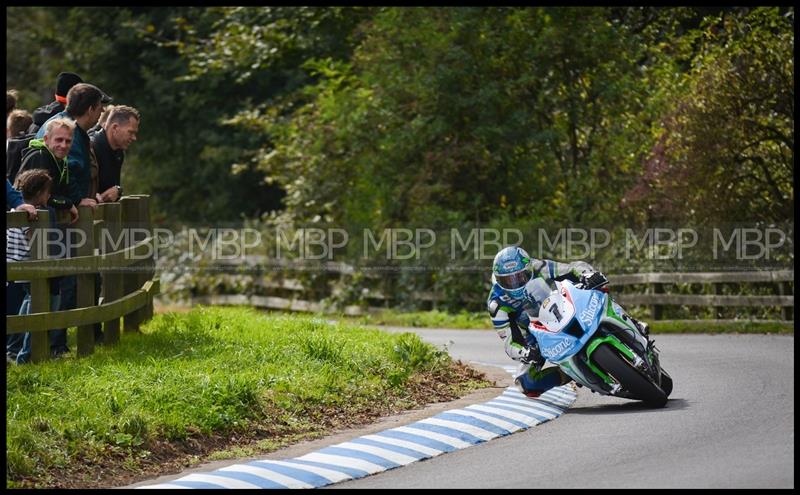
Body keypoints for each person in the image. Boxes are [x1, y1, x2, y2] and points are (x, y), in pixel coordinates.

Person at [488, 246, 650, 398]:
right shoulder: (496, 303)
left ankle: (631, 321)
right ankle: (571, 374)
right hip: (535, 334)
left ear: (528, 268)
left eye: (520, 276)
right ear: (499, 280)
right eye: (508, 280)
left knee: (599, 288)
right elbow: (509, 342)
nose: (516, 283)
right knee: (526, 384)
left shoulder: (538, 266)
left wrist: (588, 274)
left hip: (564, 306)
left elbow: (573, 267)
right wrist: (525, 352)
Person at [6, 169, 59, 364]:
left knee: (26, 305)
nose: (49, 196)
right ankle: (26, 354)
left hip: (15, 266)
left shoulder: (15, 209)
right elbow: (34, 242)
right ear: (38, 193)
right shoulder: (30, 215)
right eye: (47, 192)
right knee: (33, 305)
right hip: (24, 268)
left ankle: (15, 349)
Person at [17, 118, 80, 224]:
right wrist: (67, 203)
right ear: (46, 139)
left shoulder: (61, 160)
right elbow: (40, 198)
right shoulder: (39, 157)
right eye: (59, 140)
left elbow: (60, 191)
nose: (63, 145)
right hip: (27, 222)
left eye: (68, 141)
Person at [90, 105, 139, 203]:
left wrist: (118, 189)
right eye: (130, 132)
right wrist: (93, 196)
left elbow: (114, 188)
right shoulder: (91, 147)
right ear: (115, 128)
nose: (134, 138)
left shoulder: (119, 152)